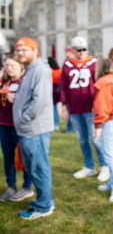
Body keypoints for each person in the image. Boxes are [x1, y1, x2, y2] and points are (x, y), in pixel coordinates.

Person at [12, 37, 54, 219]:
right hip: (28, 129)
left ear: (35, 51)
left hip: (34, 129)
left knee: (39, 168)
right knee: (34, 168)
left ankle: (44, 206)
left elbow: (41, 100)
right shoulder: (30, 69)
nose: (21, 53)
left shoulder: (40, 69)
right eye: (19, 50)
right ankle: (43, 200)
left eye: (25, 50)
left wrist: (23, 118)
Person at [60, 36, 109, 181]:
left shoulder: (94, 63)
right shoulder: (67, 64)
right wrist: (63, 105)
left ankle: (105, 165)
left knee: (96, 139)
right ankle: (89, 166)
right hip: (75, 108)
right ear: (72, 50)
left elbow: (101, 84)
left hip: (90, 108)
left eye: (83, 49)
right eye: (78, 50)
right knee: (82, 139)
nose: (81, 52)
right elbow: (63, 86)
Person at [0, 54, 33, 202]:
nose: (9, 68)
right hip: (4, 125)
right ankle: (11, 186)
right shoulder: (3, 82)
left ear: (21, 66)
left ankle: (27, 187)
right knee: (8, 157)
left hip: (20, 127)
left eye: (12, 65)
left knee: (25, 158)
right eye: (6, 65)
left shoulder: (25, 82)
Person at [93, 58, 113, 202]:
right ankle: (112, 183)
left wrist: (98, 126)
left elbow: (102, 107)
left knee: (111, 157)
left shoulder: (104, 83)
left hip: (109, 121)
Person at [48, 57, 61, 130]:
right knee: (55, 108)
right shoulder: (59, 71)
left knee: (53, 108)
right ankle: (56, 124)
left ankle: (54, 124)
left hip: (51, 91)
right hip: (57, 91)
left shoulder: (50, 71)